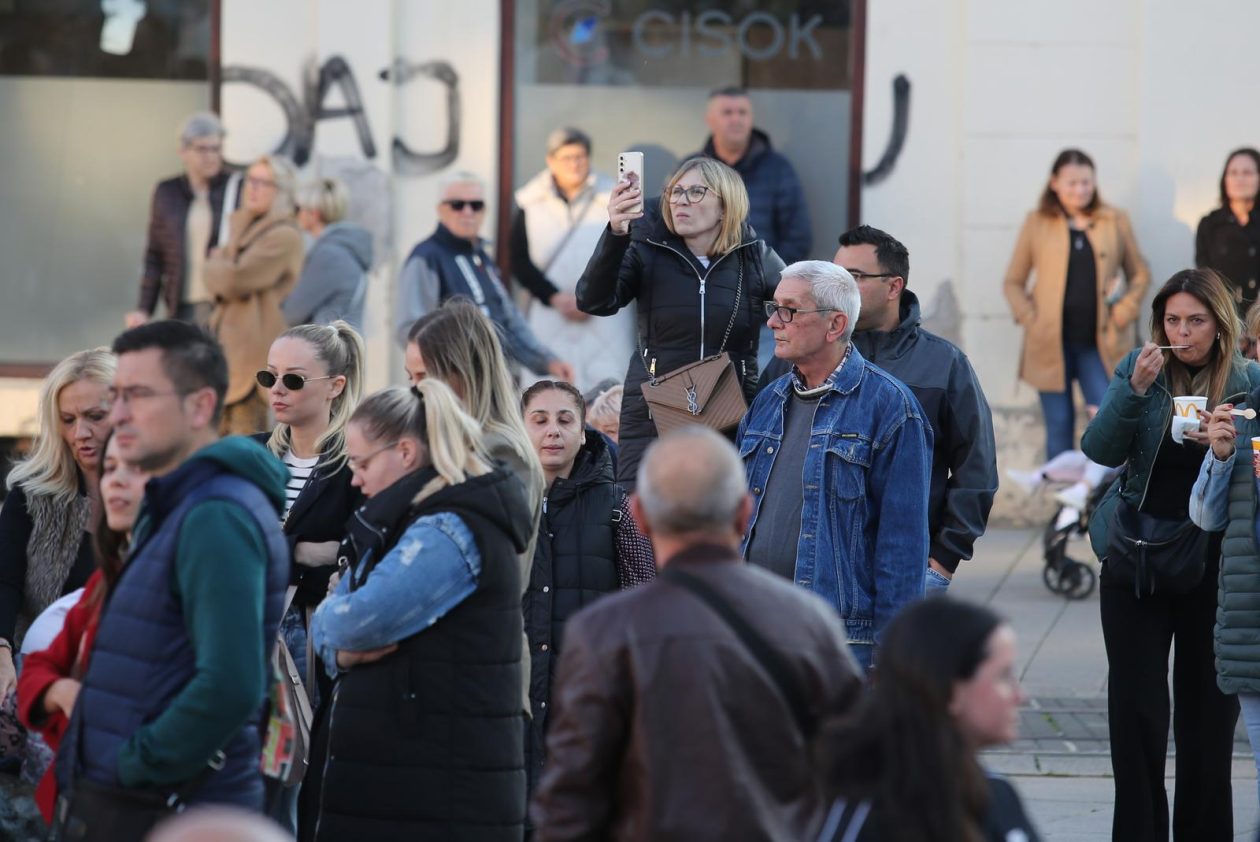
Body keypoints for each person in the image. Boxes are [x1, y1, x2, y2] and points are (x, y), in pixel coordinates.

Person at [531, 427, 862, 840]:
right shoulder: (808, 621)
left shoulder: (604, 631)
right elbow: (857, 772)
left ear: (639, 516)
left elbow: (572, 798)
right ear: (744, 513)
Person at [55, 321, 290, 836]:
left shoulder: (215, 514)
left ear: (200, 407)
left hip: (165, 807)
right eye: (116, 395)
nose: (118, 415)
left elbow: (230, 684)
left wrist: (134, 765)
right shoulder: (180, 506)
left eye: (137, 395)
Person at [301, 381, 533, 841]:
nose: (354, 478)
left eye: (362, 462)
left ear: (405, 453)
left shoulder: (448, 528)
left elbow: (349, 622)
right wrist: (338, 641)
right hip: (415, 784)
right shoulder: (410, 516)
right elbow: (337, 634)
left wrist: (335, 631)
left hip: (435, 792)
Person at [1081, 268, 1258, 841]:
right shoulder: (1139, 371)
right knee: (1135, 716)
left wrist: (1232, 445)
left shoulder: (1248, 382)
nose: (1183, 332)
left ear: (1220, 323)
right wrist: (1132, 392)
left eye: (1196, 321)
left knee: (1208, 722)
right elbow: (1100, 449)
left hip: (1213, 565)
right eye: (1173, 320)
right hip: (1136, 556)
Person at [766, 225, 996, 591]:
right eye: (835, 274)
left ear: (893, 287)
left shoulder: (944, 364)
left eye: (853, 277)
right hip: (800, 569)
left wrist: (943, 560)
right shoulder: (801, 353)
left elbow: (976, 470)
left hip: (902, 572)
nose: (838, 285)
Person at [740, 260, 932, 672]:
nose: (774, 321)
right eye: (773, 308)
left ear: (835, 325)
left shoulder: (890, 407)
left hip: (837, 638)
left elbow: (903, 545)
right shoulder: (769, 400)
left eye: (789, 310)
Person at [576, 156, 785, 489]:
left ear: (724, 205)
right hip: (652, 409)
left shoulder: (753, 255)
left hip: (728, 410)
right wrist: (616, 234)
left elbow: (801, 308)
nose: (679, 201)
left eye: (696, 192)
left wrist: (773, 379)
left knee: (714, 513)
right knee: (642, 516)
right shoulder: (646, 247)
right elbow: (594, 301)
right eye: (675, 192)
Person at [519, 379, 654, 801]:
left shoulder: (616, 505)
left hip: (586, 699)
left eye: (564, 420)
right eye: (539, 420)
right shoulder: (502, 501)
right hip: (514, 698)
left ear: (583, 431)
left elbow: (644, 596)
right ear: (520, 428)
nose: (552, 431)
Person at [252, 321, 364, 826]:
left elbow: (361, 547)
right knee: (250, 775)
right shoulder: (255, 454)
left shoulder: (355, 462)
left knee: (300, 774)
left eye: (293, 380)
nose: (277, 389)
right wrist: (301, 549)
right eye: (269, 376)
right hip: (250, 626)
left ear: (335, 385)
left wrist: (324, 554)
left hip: (313, 630)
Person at [818, 598, 1041, 842]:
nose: (1020, 696)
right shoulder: (861, 812)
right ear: (952, 691)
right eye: (1003, 676)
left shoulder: (997, 796)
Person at [17, 431, 149, 823]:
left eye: (135, 470)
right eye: (109, 470)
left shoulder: (195, 575)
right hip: (87, 795)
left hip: (152, 800)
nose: (117, 481)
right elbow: (38, 669)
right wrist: (61, 690)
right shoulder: (107, 579)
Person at [1003, 148, 1150, 461]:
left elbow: (1140, 274)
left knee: (1108, 421)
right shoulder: (1037, 222)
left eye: (1086, 182)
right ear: (1054, 183)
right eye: (1072, 183)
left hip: (1100, 344)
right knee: (1058, 427)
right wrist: (1031, 318)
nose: (1080, 189)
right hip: (1049, 345)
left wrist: (1123, 312)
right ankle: (1063, 508)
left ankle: (1103, 503)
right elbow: (1013, 282)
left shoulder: (1114, 220)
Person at [0, 349, 114, 704]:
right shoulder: (32, 495)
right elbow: (5, 580)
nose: (81, 432)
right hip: (41, 674)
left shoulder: (167, 493)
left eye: (96, 416)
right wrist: (1, 652)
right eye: (67, 419)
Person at [393, 170, 573, 381]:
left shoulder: (480, 256)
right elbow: (410, 330)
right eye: (457, 205)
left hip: (494, 384)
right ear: (440, 210)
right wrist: (454, 366)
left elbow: (509, 322)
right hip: (452, 388)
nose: (467, 212)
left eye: (476, 205)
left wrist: (548, 361)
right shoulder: (425, 258)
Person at [694, 86, 812, 371]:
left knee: (760, 396)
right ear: (710, 119)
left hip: (763, 320)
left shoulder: (778, 169)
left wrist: (765, 288)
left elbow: (798, 237)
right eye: (727, 112)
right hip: (702, 318)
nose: (736, 119)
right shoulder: (692, 170)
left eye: (742, 112)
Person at [512, 127, 635, 392]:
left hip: (604, 319)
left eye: (580, 156)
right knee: (548, 399)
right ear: (551, 161)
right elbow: (519, 261)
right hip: (549, 317)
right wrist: (555, 297)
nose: (575, 164)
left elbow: (628, 251)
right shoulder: (530, 202)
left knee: (608, 399)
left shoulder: (611, 196)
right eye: (566, 157)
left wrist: (591, 298)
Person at [205, 154, 305, 436]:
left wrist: (216, 261)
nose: (253, 188)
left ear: (281, 191)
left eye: (263, 182)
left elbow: (236, 280)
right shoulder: (243, 227)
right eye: (251, 180)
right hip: (226, 360)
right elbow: (218, 278)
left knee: (243, 454)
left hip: (252, 366)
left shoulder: (285, 235)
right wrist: (220, 266)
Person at [127, 112, 237, 328]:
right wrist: (143, 309)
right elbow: (155, 254)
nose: (211, 156)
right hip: (181, 303)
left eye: (216, 148)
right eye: (202, 149)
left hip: (224, 304)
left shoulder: (235, 188)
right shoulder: (167, 193)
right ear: (183, 152)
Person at [284, 176, 373, 331]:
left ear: (314, 214)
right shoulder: (345, 247)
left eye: (298, 208)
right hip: (344, 344)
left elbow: (293, 312)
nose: (295, 214)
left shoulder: (329, 255)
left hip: (329, 348)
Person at [1196, 147, 1260, 317]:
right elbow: (1205, 277)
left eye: (1247, 172)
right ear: (1225, 179)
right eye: (1233, 172)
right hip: (1225, 316)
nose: (1240, 178)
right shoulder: (1210, 224)